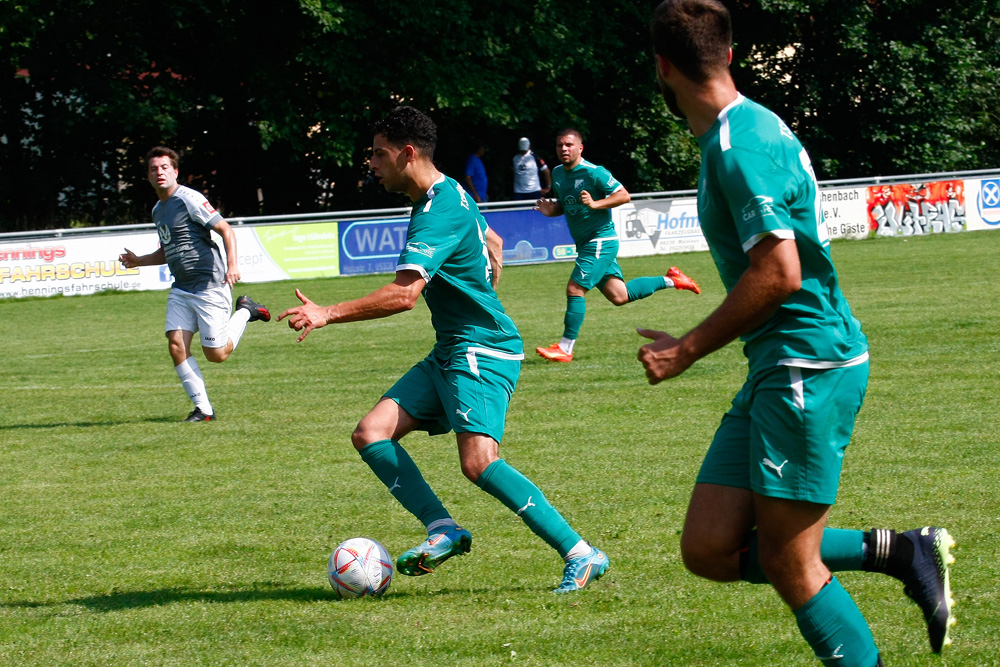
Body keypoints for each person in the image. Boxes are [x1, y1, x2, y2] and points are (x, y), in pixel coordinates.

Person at [641, 2, 955, 665]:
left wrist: (686, 349)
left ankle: (902, 562)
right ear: (728, 53)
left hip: (808, 364)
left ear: (663, 68)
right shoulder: (746, 129)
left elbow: (780, 273)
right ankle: (901, 548)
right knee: (708, 546)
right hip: (777, 363)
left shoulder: (739, 147)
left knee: (789, 560)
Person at [278, 106, 608, 592]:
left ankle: (582, 553)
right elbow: (490, 234)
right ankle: (443, 529)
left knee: (479, 463)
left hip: (481, 348)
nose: (371, 163)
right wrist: (490, 255)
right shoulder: (447, 191)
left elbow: (405, 294)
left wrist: (329, 312)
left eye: (379, 154)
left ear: (407, 154)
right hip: (452, 347)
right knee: (371, 433)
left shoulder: (437, 209)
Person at [119, 146, 271, 422]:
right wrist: (138, 261)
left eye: (165, 167)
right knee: (176, 344)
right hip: (181, 288)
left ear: (175, 172)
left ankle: (246, 311)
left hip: (209, 285)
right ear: (149, 176)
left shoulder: (188, 199)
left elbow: (225, 229)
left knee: (217, 354)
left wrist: (233, 266)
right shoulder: (158, 210)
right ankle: (204, 410)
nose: (159, 172)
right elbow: (167, 250)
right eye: (154, 169)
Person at [534, 128, 701, 363]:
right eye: (560, 145)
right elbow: (565, 204)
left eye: (569, 145)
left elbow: (623, 195)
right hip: (586, 244)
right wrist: (553, 211)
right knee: (620, 296)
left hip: (600, 241)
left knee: (575, 289)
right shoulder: (558, 174)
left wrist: (596, 203)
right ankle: (674, 279)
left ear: (580, 148)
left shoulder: (595, 173)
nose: (564, 149)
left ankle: (565, 348)